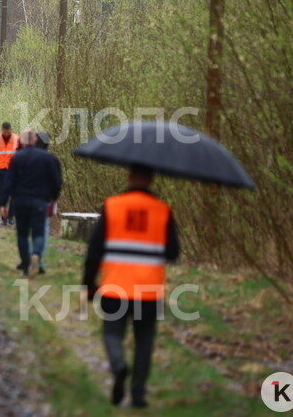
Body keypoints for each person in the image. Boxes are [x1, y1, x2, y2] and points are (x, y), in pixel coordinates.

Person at [82, 165, 179, 408]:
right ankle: (138, 395)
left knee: (112, 333)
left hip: (116, 287)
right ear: (152, 179)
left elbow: (94, 250)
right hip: (149, 290)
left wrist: (89, 283)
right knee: (144, 342)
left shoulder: (112, 205)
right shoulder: (163, 211)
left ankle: (118, 366)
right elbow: (173, 252)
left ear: (129, 177)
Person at [1, 129, 63, 276]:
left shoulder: (17, 158)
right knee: (39, 233)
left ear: (22, 141)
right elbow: (56, 181)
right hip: (40, 202)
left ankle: (25, 264)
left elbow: (9, 182)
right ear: (35, 140)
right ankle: (36, 254)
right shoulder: (48, 158)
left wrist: (3, 203)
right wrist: (53, 197)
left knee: (22, 234)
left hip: (20, 201)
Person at [32, 131, 62, 272]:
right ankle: (38, 257)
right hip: (44, 200)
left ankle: (28, 258)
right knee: (42, 230)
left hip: (26, 198)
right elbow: (57, 182)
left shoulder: (25, 156)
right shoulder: (52, 159)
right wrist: (54, 197)